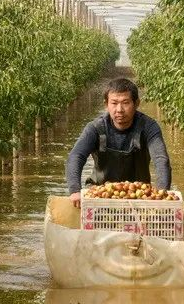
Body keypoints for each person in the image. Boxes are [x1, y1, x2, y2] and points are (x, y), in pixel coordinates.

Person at [65, 77, 173, 207]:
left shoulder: (148, 127)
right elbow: (76, 156)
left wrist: (162, 193)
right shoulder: (95, 128)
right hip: (99, 195)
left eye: (125, 103)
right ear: (106, 105)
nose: (119, 109)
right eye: (114, 103)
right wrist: (75, 191)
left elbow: (161, 159)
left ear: (136, 103)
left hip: (139, 196)